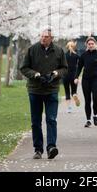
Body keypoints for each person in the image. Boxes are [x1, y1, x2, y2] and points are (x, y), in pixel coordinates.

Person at [20, 28, 68, 160]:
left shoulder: (58, 51)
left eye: (46, 37)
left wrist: (56, 74)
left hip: (51, 90)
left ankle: (51, 147)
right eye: (41, 36)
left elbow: (64, 68)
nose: (43, 38)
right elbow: (24, 68)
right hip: (35, 90)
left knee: (51, 119)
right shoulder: (32, 49)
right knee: (36, 121)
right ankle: (38, 149)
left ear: (51, 38)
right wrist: (35, 74)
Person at [75, 37, 97, 128]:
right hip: (86, 80)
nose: (91, 45)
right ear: (87, 45)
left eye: (92, 44)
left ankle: (94, 115)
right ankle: (88, 120)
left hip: (96, 79)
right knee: (87, 100)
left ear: (95, 44)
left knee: (96, 99)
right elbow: (79, 67)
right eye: (89, 44)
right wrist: (76, 77)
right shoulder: (83, 55)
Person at [63, 40, 80, 113]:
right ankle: (74, 95)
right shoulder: (76, 56)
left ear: (67, 47)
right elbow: (79, 65)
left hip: (66, 75)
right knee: (73, 91)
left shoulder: (64, 55)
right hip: (74, 75)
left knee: (67, 92)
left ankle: (69, 108)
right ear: (74, 47)